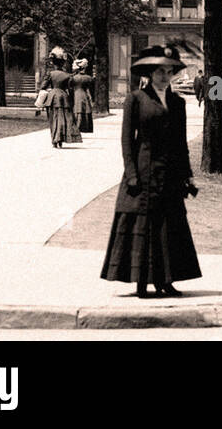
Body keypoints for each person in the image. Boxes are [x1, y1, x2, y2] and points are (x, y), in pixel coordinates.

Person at [100, 45, 201, 299]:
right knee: (143, 225)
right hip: (143, 172)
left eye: (169, 72)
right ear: (149, 72)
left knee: (169, 226)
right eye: (160, 71)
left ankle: (166, 281)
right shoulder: (136, 99)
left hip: (170, 173)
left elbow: (181, 142)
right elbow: (126, 140)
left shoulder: (178, 103)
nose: (165, 76)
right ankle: (142, 283)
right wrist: (131, 173)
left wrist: (187, 175)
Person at [40, 49, 73, 149]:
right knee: (62, 119)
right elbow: (70, 88)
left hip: (52, 97)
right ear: (63, 63)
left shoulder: (50, 73)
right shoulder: (67, 75)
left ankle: (54, 139)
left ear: (54, 63)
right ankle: (60, 139)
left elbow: (43, 86)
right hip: (63, 97)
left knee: (52, 119)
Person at [70, 58, 94, 136]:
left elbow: (70, 86)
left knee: (77, 109)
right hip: (85, 95)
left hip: (76, 94)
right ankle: (84, 127)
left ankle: (77, 126)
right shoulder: (88, 78)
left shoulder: (74, 78)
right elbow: (90, 88)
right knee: (84, 109)